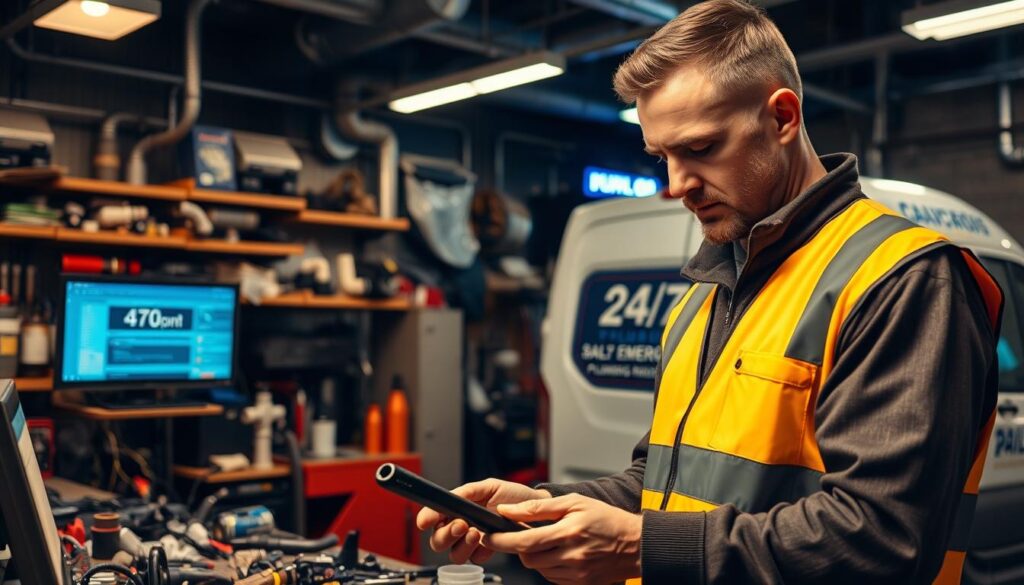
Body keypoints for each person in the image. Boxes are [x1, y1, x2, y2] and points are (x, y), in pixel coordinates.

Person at [416, 1, 1004, 583]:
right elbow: (666, 482)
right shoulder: (706, 292)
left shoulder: (901, 280)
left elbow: (881, 538)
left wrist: (642, 549)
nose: (676, 186)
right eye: (661, 157)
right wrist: (538, 506)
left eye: (699, 149)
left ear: (782, 118)